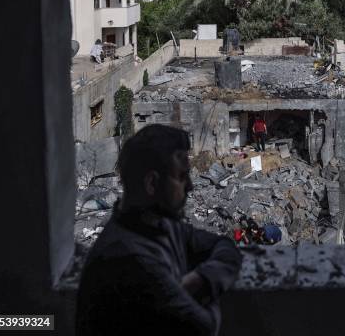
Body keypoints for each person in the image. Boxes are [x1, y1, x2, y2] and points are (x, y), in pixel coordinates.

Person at [76, 125, 242, 336]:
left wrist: (202, 280)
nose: (190, 186)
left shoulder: (160, 228)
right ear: (152, 183)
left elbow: (224, 245)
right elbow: (205, 326)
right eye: (182, 177)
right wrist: (204, 293)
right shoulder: (127, 260)